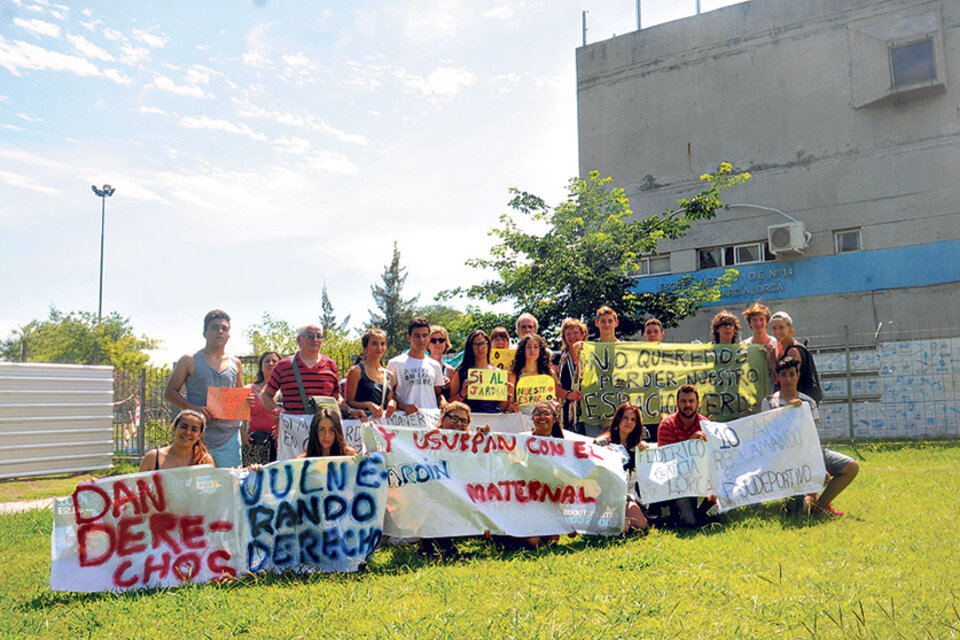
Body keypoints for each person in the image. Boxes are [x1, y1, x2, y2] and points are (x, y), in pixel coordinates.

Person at [762, 356, 859, 515]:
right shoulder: (769, 402)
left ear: (798, 376)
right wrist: (790, 413)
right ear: (778, 377)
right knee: (797, 512)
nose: (788, 379)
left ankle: (820, 506)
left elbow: (810, 437)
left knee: (851, 466)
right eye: (784, 374)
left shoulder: (808, 403)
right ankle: (808, 498)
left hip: (809, 452)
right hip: (785, 460)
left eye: (792, 374)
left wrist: (817, 464)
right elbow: (770, 435)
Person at [165, 310, 251, 468]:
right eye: (214, 327)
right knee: (196, 484)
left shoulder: (235, 363)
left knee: (229, 483)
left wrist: (247, 401)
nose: (220, 331)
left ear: (229, 335)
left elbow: (238, 399)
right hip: (196, 435)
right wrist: (195, 409)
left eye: (224, 328)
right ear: (205, 333)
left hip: (229, 437)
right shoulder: (189, 360)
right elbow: (170, 392)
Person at [261, 324, 363, 418]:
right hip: (294, 431)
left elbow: (336, 398)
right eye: (310, 336)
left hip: (324, 432)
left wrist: (350, 411)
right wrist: (277, 409)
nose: (315, 339)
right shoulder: (283, 366)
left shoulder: (330, 365)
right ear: (299, 340)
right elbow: (265, 394)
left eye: (319, 336)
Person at [657, 385, 715, 527]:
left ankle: (701, 512)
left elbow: (714, 457)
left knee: (720, 491)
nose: (687, 405)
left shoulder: (707, 425)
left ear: (697, 403)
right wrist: (691, 444)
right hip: (678, 480)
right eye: (683, 401)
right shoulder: (667, 425)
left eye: (691, 401)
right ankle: (684, 514)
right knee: (689, 523)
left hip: (701, 476)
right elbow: (667, 461)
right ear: (677, 403)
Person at [594, 403, 648, 533]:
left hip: (626, 495)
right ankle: (603, 519)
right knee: (623, 527)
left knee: (641, 524)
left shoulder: (636, 445)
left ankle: (619, 519)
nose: (628, 422)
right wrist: (601, 453)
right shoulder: (602, 442)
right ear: (618, 419)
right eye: (625, 418)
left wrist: (646, 450)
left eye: (633, 419)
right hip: (605, 496)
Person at [387, 317, 446, 414]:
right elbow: (387, 395)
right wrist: (403, 406)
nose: (421, 340)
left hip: (430, 420)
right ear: (409, 337)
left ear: (429, 338)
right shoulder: (395, 363)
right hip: (405, 420)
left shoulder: (435, 366)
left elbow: (438, 393)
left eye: (425, 335)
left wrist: (443, 402)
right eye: (417, 336)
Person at [769, 311, 823, 403]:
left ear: (789, 329)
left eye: (781, 327)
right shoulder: (787, 348)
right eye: (774, 328)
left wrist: (771, 360)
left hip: (799, 402)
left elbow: (789, 381)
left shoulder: (792, 351)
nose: (777, 332)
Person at [345, 328, 397, 419]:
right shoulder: (356, 371)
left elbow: (388, 401)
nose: (379, 348)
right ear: (366, 347)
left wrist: (393, 403)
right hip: (361, 422)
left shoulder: (389, 375)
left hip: (382, 425)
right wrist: (367, 405)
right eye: (374, 344)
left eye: (382, 344)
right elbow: (349, 401)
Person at [139, 409, 214, 471]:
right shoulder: (153, 458)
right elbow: (138, 486)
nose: (188, 432)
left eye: (194, 429)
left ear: (200, 435)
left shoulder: (205, 461)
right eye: (184, 427)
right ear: (174, 428)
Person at [453, 329, 502, 414]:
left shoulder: (498, 373)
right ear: (470, 348)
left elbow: (503, 406)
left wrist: (508, 395)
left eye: (482, 344)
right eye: (475, 345)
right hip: (468, 420)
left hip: (493, 420)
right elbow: (451, 402)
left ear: (488, 345)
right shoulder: (461, 372)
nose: (479, 348)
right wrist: (462, 394)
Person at [245, 351, 281, 465]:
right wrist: (242, 435)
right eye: (267, 361)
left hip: (281, 443)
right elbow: (234, 415)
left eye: (274, 361)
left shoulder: (287, 389)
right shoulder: (249, 389)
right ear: (260, 366)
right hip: (256, 443)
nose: (271, 363)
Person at [506, 334, 557, 413]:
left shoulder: (549, 373)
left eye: (536, 347)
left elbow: (552, 399)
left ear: (540, 350)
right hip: (522, 420)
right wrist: (513, 408)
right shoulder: (514, 375)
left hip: (543, 420)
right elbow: (509, 404)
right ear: (522, 350)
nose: (532, 350)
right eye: (528, 347)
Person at [555, 318, 588, 434]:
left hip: (588, 408)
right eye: (568, 334)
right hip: (565, 409)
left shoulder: (592, 355)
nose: (572, 337)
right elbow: (553, 386)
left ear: (583, 335)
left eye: (575, 333)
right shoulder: (558, 358)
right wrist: (568, 394)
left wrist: (576, 352)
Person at [742, 302, 778, 373]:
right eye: (754, 320)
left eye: (761, 319)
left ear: (767, 322)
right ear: (750, 323)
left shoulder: (776, 343)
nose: (758, 323)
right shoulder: (743, 345)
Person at [427, 325, 460, 402]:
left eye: (441, 340)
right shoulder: (421, 366)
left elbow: (452, 398)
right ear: (427, 345)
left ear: (446, 343)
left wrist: (448, 386)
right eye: (433, 340)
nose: (437, 343)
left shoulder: (450, 370)